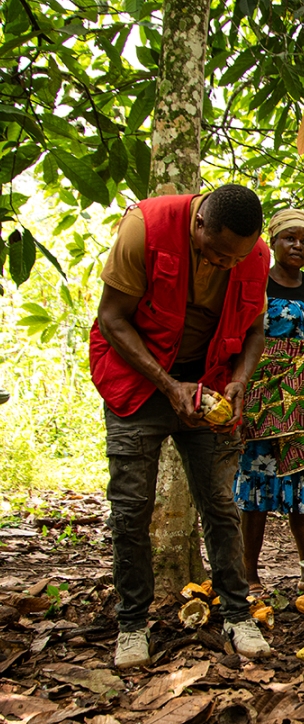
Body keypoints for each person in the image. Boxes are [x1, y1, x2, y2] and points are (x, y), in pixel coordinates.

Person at [90, 184, 273, 669]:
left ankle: (237, 613)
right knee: (131, 509)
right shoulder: (144, 228)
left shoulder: (253, 256)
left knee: (219, 504)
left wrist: (238, 381)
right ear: (198, 224)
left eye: (236, 257)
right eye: (215, 253)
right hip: (139, 382)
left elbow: (255, 329)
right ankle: (132, 623)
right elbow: (111, 319)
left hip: (209, 385)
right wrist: (168, 385)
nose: (225, 265)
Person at [234, 209, 304, 591]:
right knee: (257, 483)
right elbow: (241, 334)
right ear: (273, 241)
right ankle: (248, 574)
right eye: (289, 238)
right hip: (264, 397)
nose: (298, 246)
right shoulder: (257, 284)